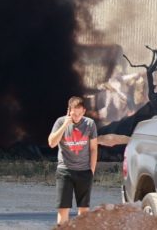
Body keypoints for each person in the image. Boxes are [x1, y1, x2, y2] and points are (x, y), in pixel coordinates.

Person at [48, 96, 99, 226]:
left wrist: (91, 170)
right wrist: (65, 124)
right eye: (74, 114)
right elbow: (52, 143)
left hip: (84, 171)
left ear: (84, 111)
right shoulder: (60, 122)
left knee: (84, 211)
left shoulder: (90, 124)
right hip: (65, 171)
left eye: (79, 114)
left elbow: (93, 149)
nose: (76, 117)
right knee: (63, 209)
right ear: (68, 111)